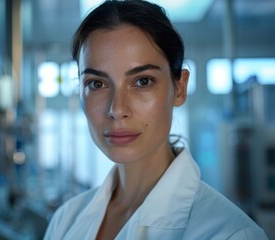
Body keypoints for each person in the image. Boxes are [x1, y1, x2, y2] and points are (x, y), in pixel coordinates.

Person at [44, 0, 268, 239]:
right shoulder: (65, 221)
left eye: (142, 81)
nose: (117, 109)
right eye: (97, 84)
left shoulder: (229, 233)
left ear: (179, 88)